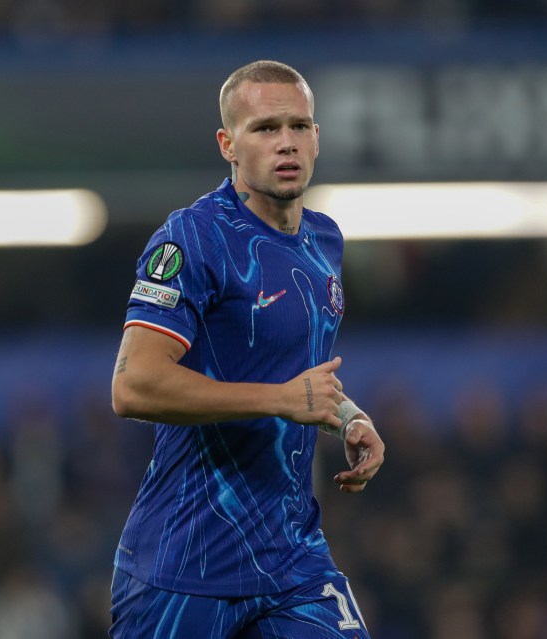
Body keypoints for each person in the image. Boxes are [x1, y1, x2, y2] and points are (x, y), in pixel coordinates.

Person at [108, 60, 386, 639]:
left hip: (292, 556)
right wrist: (281, 399)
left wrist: (347, 415)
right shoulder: (192, 238)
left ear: (317, 137)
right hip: (187, 563)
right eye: (263, 128)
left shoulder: (325, 241)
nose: (285, 142)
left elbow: (292, 376)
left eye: (298, 126)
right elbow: (133, 385)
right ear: (227, 144)